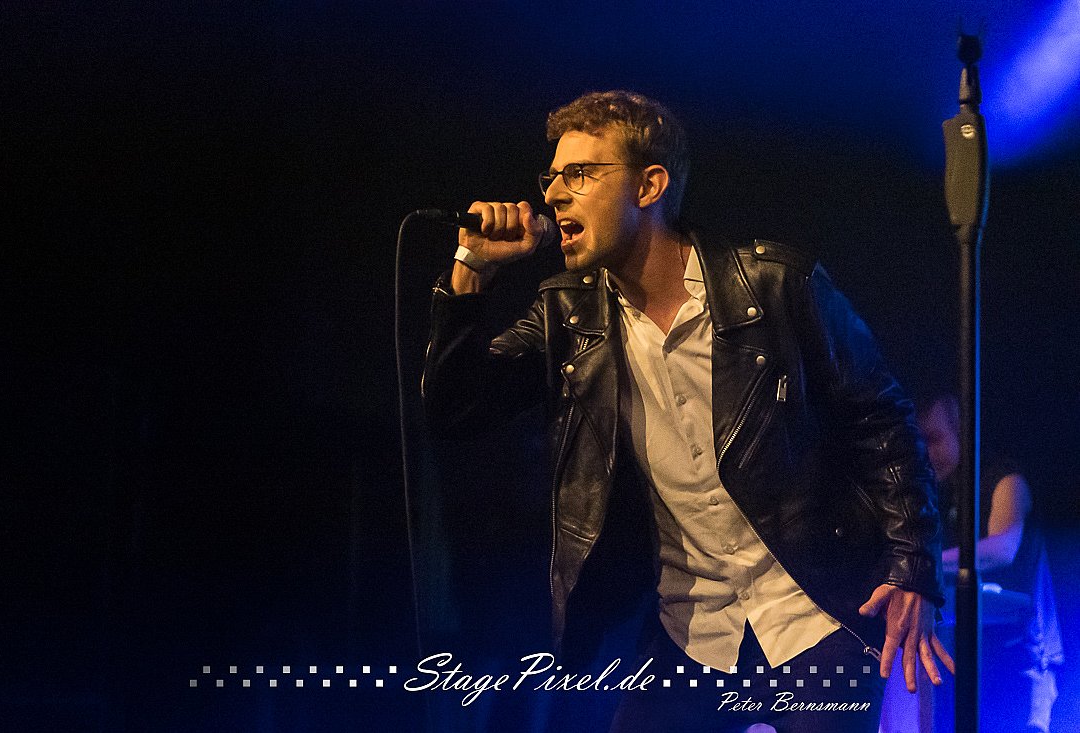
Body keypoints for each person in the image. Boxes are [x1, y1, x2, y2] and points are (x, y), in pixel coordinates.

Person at [422, 90, 953, 732]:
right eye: (553, 177)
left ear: (649, 186)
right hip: (692, 629)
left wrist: (912, 566)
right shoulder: (569, 315)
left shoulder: (774, 285)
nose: (555, 195)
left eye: (581, 174)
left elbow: (880, 418)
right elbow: (456, 408)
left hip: (813, 610)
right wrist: (471, 270)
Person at [917, 393, 1063, 733]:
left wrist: (922, 562)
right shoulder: (937, 494)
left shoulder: (1006, 480)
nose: (926, 452)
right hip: (972, 652)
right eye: (919, 442)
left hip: (1022, 656)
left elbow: (1002, 549)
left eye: (934, 439)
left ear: (962, 432)